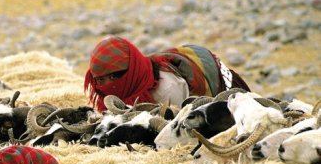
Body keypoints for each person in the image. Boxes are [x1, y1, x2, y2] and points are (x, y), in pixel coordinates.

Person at [84, 36, 251, 112]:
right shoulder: (110, 93)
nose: (107, 85)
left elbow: (180, 131)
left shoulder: (166, 91)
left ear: (132, 71)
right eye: (100, 80)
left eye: (114, 77)